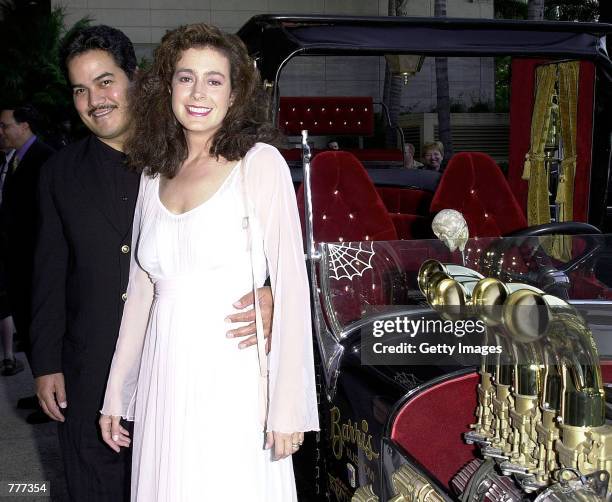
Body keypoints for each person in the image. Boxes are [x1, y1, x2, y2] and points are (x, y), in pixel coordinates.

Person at [30, 25, 274, 502]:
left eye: (105, 81)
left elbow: (265, 241)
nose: (94, 99)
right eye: (80, 89)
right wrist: (45, 363)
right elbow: (48, 272)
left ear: (136, 79)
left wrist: (270, 292)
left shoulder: (189, 156)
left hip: (185, 366)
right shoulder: (59, 172)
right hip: (91, 369)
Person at [99, 23, 319, 501]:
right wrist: (118, 392)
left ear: (235, 92)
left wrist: (288, 408)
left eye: (214, 80)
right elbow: (141, 295)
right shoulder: (154, 169)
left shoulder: (259, 163)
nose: (198, 92)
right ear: (167, 87)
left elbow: (292, 287)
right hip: (164, 377)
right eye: (185, 77)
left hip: (233, 379)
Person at [0, 105, 55, 377]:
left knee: (39, 330)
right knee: (26, 326)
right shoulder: (14, 159)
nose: (1, 132)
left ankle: (51, 398)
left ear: (24, 126)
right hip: (18, 263)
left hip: (34, 264)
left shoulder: (45, 159)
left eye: (5, 125)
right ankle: (40, 391)